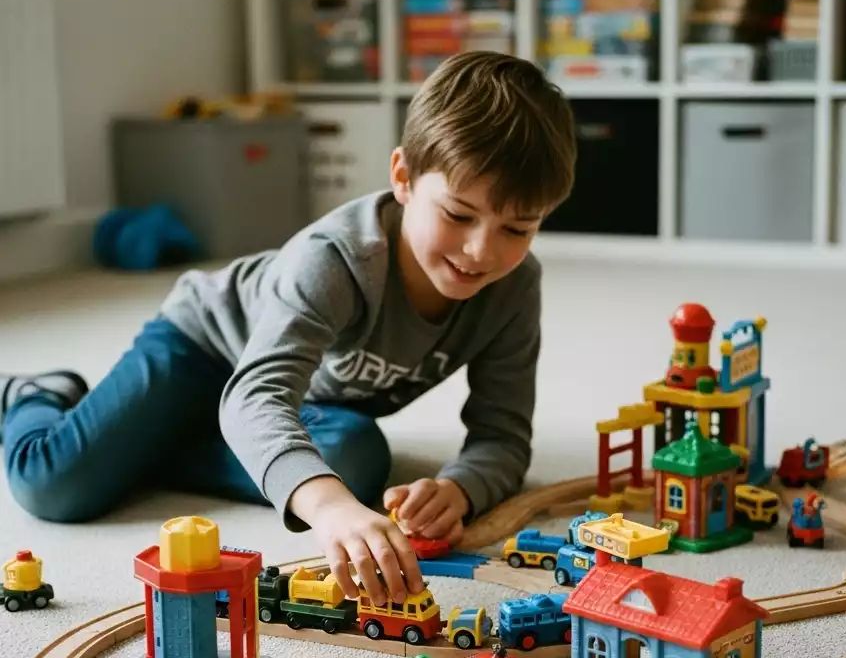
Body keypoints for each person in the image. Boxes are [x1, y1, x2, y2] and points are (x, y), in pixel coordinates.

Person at [1, 51, 577, 605]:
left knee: (353, 462)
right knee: (54, 486)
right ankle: (33, 392)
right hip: (203, 349)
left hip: (305, 400)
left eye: (517, 229)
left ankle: (161, 441)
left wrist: (460, 488)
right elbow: (258, 394)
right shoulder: (333, 258)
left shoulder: (514, 288)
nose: (482, 250)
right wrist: (328, 509)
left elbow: (502, 437)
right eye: (458, 215)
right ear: (403, 176)